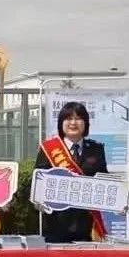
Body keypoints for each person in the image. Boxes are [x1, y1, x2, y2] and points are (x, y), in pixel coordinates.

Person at [34, 102, 109, 243]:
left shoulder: (96, 149)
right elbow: (38, 184)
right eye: (68, 119)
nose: (73, 123)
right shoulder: (49, 149)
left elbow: (104, 181)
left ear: (85, 123)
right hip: (56, 224)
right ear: (61, 123)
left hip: (86, 225)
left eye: (78, 118)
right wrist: (39, 202)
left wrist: (117, 201)